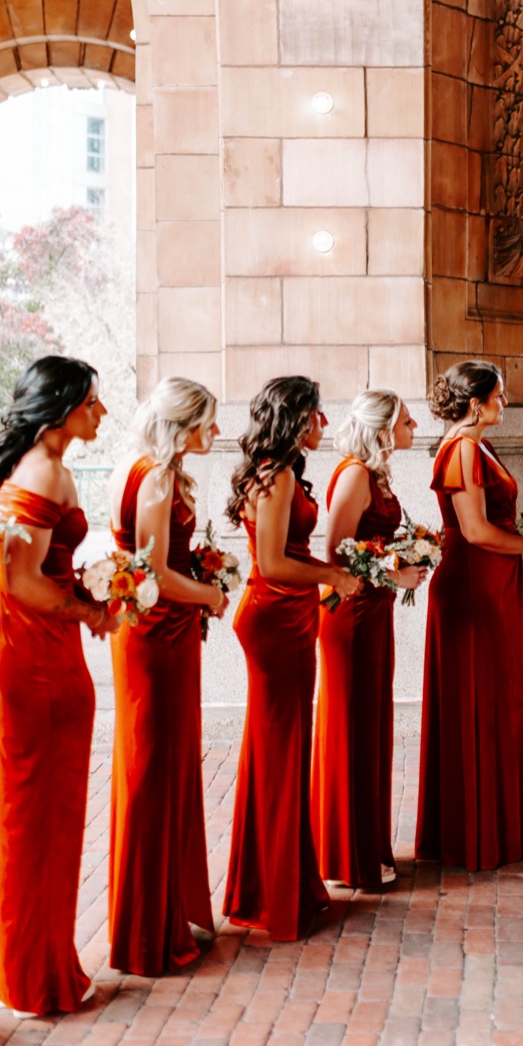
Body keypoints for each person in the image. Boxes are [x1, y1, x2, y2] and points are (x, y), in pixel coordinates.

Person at [0, 356, 110, 1014]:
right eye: (93, 402)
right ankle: (35, 976)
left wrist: (92, 590)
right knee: (38, 814)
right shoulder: (40, 470)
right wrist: (90, 611)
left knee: (51, 813)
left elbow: (44, 568)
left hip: (44, 643)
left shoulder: (47, 466)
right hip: (34, 655)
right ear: (63, 409)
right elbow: (21, 581)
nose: (102, 413)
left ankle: (43, 963)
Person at [224, 377, 359, 941]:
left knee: (280, 749)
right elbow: (274, 564)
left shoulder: (279, 471)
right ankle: (274, 895)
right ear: (296, 419)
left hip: (289, 616)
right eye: (317, 415)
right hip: (275, 619)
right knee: (280, 751)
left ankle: (279, 882)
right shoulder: (277, 476)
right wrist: (333, 575)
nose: (324, 425)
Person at [107, 376, 227, 976]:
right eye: (209, 421)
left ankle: (163, 911)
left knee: (169, 766)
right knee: (154, 771)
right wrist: (208, 591)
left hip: (167, 636)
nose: (217, 432)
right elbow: (153, 573)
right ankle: (147, 932)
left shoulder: (146, 469)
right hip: (156, 636)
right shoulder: (154, 477)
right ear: (182, 425)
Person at [416, 360, 523, 870]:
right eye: (500, 395)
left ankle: (498, 824)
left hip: (492, 581)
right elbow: (473, 530)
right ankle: (476, 832)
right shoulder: (460, 451)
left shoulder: (478, 446)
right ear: (476, 403)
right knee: (480, 701)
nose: (506, 402)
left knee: (499, 699)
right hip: (473, 586)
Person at [312, 390, 424, 891]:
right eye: (405, 420)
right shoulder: (355, 473)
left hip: (374, 610)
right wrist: (395, 572)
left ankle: (364, 844)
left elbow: (365, 544)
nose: (413, 424)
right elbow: (336, 552)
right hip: (351, 613)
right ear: (382, 428)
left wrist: (407, 556)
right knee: (352, 727)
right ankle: (345, 856)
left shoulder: (375, 473)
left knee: (371, 725)